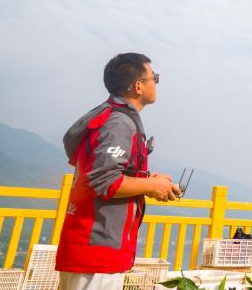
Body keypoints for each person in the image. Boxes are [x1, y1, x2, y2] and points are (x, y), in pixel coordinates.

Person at [55, 53, 181, 290]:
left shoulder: (108, 116)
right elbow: (103, 181)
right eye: (154, 77)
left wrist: (148, 180)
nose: (156, 82)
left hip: (91, 245)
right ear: (138, 86)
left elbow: (103, 172)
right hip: (97, 248)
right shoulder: (119, 122)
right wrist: (152, 186)